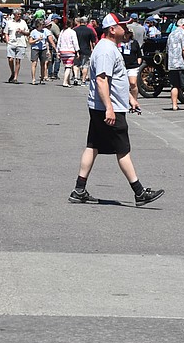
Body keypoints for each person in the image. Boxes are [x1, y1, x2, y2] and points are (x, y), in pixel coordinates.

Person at [69, 12, 164, 206]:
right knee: (123, 149)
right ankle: (139, 192)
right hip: (107, 108)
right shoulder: (106, 50)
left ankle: (79, 189)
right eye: (123, 26)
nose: (127, 29)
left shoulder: (110, 48)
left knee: (93, 145)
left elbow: (115, 81)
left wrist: (129, 98)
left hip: (103, 106)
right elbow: (102, 80)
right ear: (112, 29)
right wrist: (110, 109)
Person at [166, 18, 184, 110]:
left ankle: (174, 105)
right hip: (182, 64)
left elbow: (167, 49)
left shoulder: (171, 34)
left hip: (172, 64)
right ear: (182, 25)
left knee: (174, 85)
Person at [120, 26, 143, 115]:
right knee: (123, 84)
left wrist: (138, 62)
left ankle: (134, 100)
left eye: (128, 33)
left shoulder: (134, 43)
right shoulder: (119, 43)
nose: (126, 35)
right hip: (122, 66)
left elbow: (139, 54)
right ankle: (126, 101)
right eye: (125, 33)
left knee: (133, 83)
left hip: (133, 66)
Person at [4, 8, 29, 84]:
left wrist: (22, 31)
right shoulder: (9, 22)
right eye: (18, 14)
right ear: (14, 15)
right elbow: (6, 32)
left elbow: (28, 33)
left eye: (20, 14)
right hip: (11, 43)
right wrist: (7, 41)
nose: (19, 16)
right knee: (10, 59)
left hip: (21, 43)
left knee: (18, 60)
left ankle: (15, 77)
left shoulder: (23, 22)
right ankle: (12, 72)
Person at [73, 17, 95, 86]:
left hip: (76, 50)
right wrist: (93, 49)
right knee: (85, 66)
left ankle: (76, 77)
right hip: (86, 50)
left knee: (76, 64)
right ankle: (83, 81)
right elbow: (93, 41)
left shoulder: (75, 30)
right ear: (86, 22)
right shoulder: (89, 30)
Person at [29, 20, 52, 85]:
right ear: (38, 25)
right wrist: (37, 39)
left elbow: (46, 41)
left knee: (43, 63)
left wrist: (48, 50)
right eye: (42, 25)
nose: (43, 26)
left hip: (43, 49)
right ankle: (33, 78)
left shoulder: (44, 31)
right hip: (35, 49)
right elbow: (30, 42)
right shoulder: (34, 32)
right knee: (34, 63)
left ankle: (42, 77)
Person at [58, 21, 80, 87]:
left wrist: (58, 51)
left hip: (62, 51)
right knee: (68, 67)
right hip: (70, 51)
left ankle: (68, 81)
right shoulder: (72, 32)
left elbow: (59, 41)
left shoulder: (62, 31)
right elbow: (75, 42)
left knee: (67, 66)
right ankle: (65, 82)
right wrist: (77, 50)